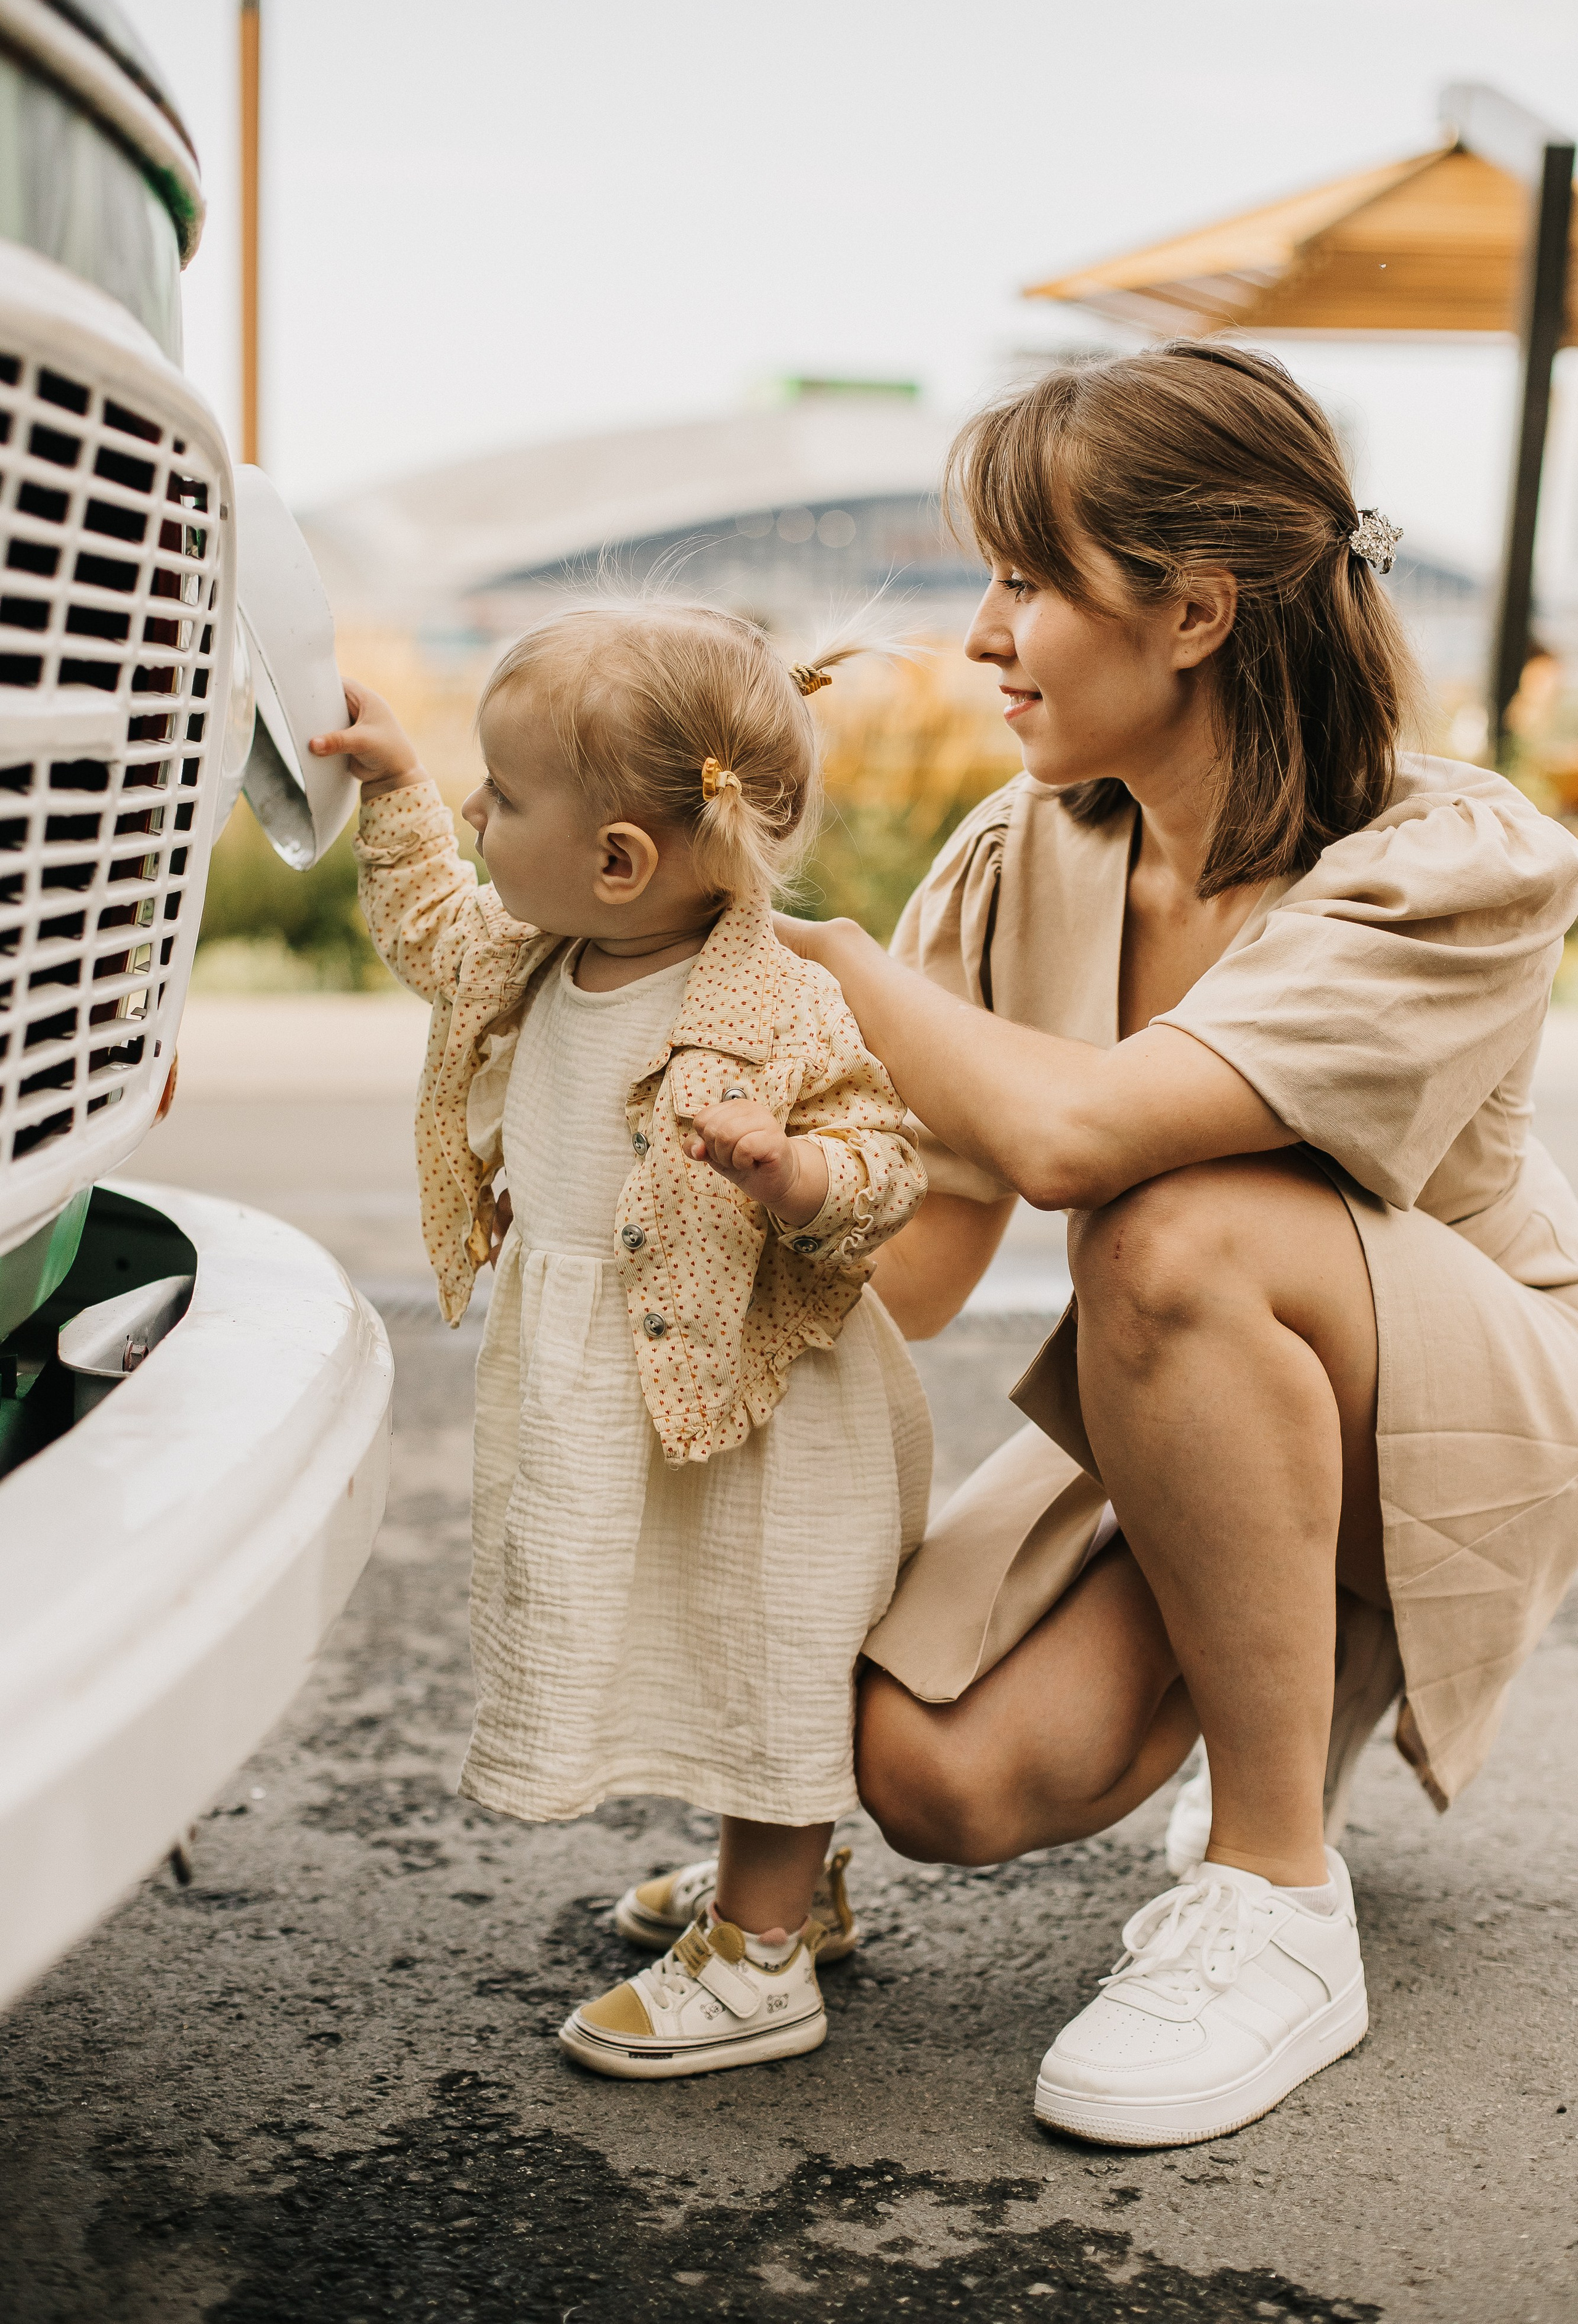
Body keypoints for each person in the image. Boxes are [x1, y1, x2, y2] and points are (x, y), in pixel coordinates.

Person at [611, 343, 1578, 2148]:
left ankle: (1278, 1893)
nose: (984, 635)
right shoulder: (1019, 855)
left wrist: (822, 959)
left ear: (1196, 610)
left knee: (1175, 1219)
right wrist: (729, 1212)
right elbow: (925, 1260)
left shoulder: (1450, 861)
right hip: (1194, 1392)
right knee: (936, 1780)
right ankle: (1294, 1636)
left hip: (1461, 1413)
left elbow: (1070, 1142)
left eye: (1025, 580)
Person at [309, 603, 931, 2080]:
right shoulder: (536, 955)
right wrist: (394, 788)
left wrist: (791, 1175)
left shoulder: (774, 1001)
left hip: (752, 1399)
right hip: (608, 1378)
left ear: (618, 858)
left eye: (499, 797)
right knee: (684, 1624)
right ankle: (778, 1881)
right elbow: (429, 926)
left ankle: (765, 1946)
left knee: (763, 1635)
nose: (477, 815)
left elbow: (887, 1159)